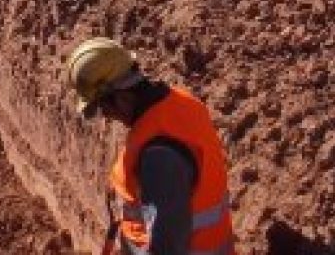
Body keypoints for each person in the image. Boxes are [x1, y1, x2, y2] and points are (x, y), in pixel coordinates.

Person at [64, 37, 236, 255]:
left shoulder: (160, 158)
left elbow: (167, 248)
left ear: (123, 97)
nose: (106, 115)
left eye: (103, 106)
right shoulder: (179, 104)